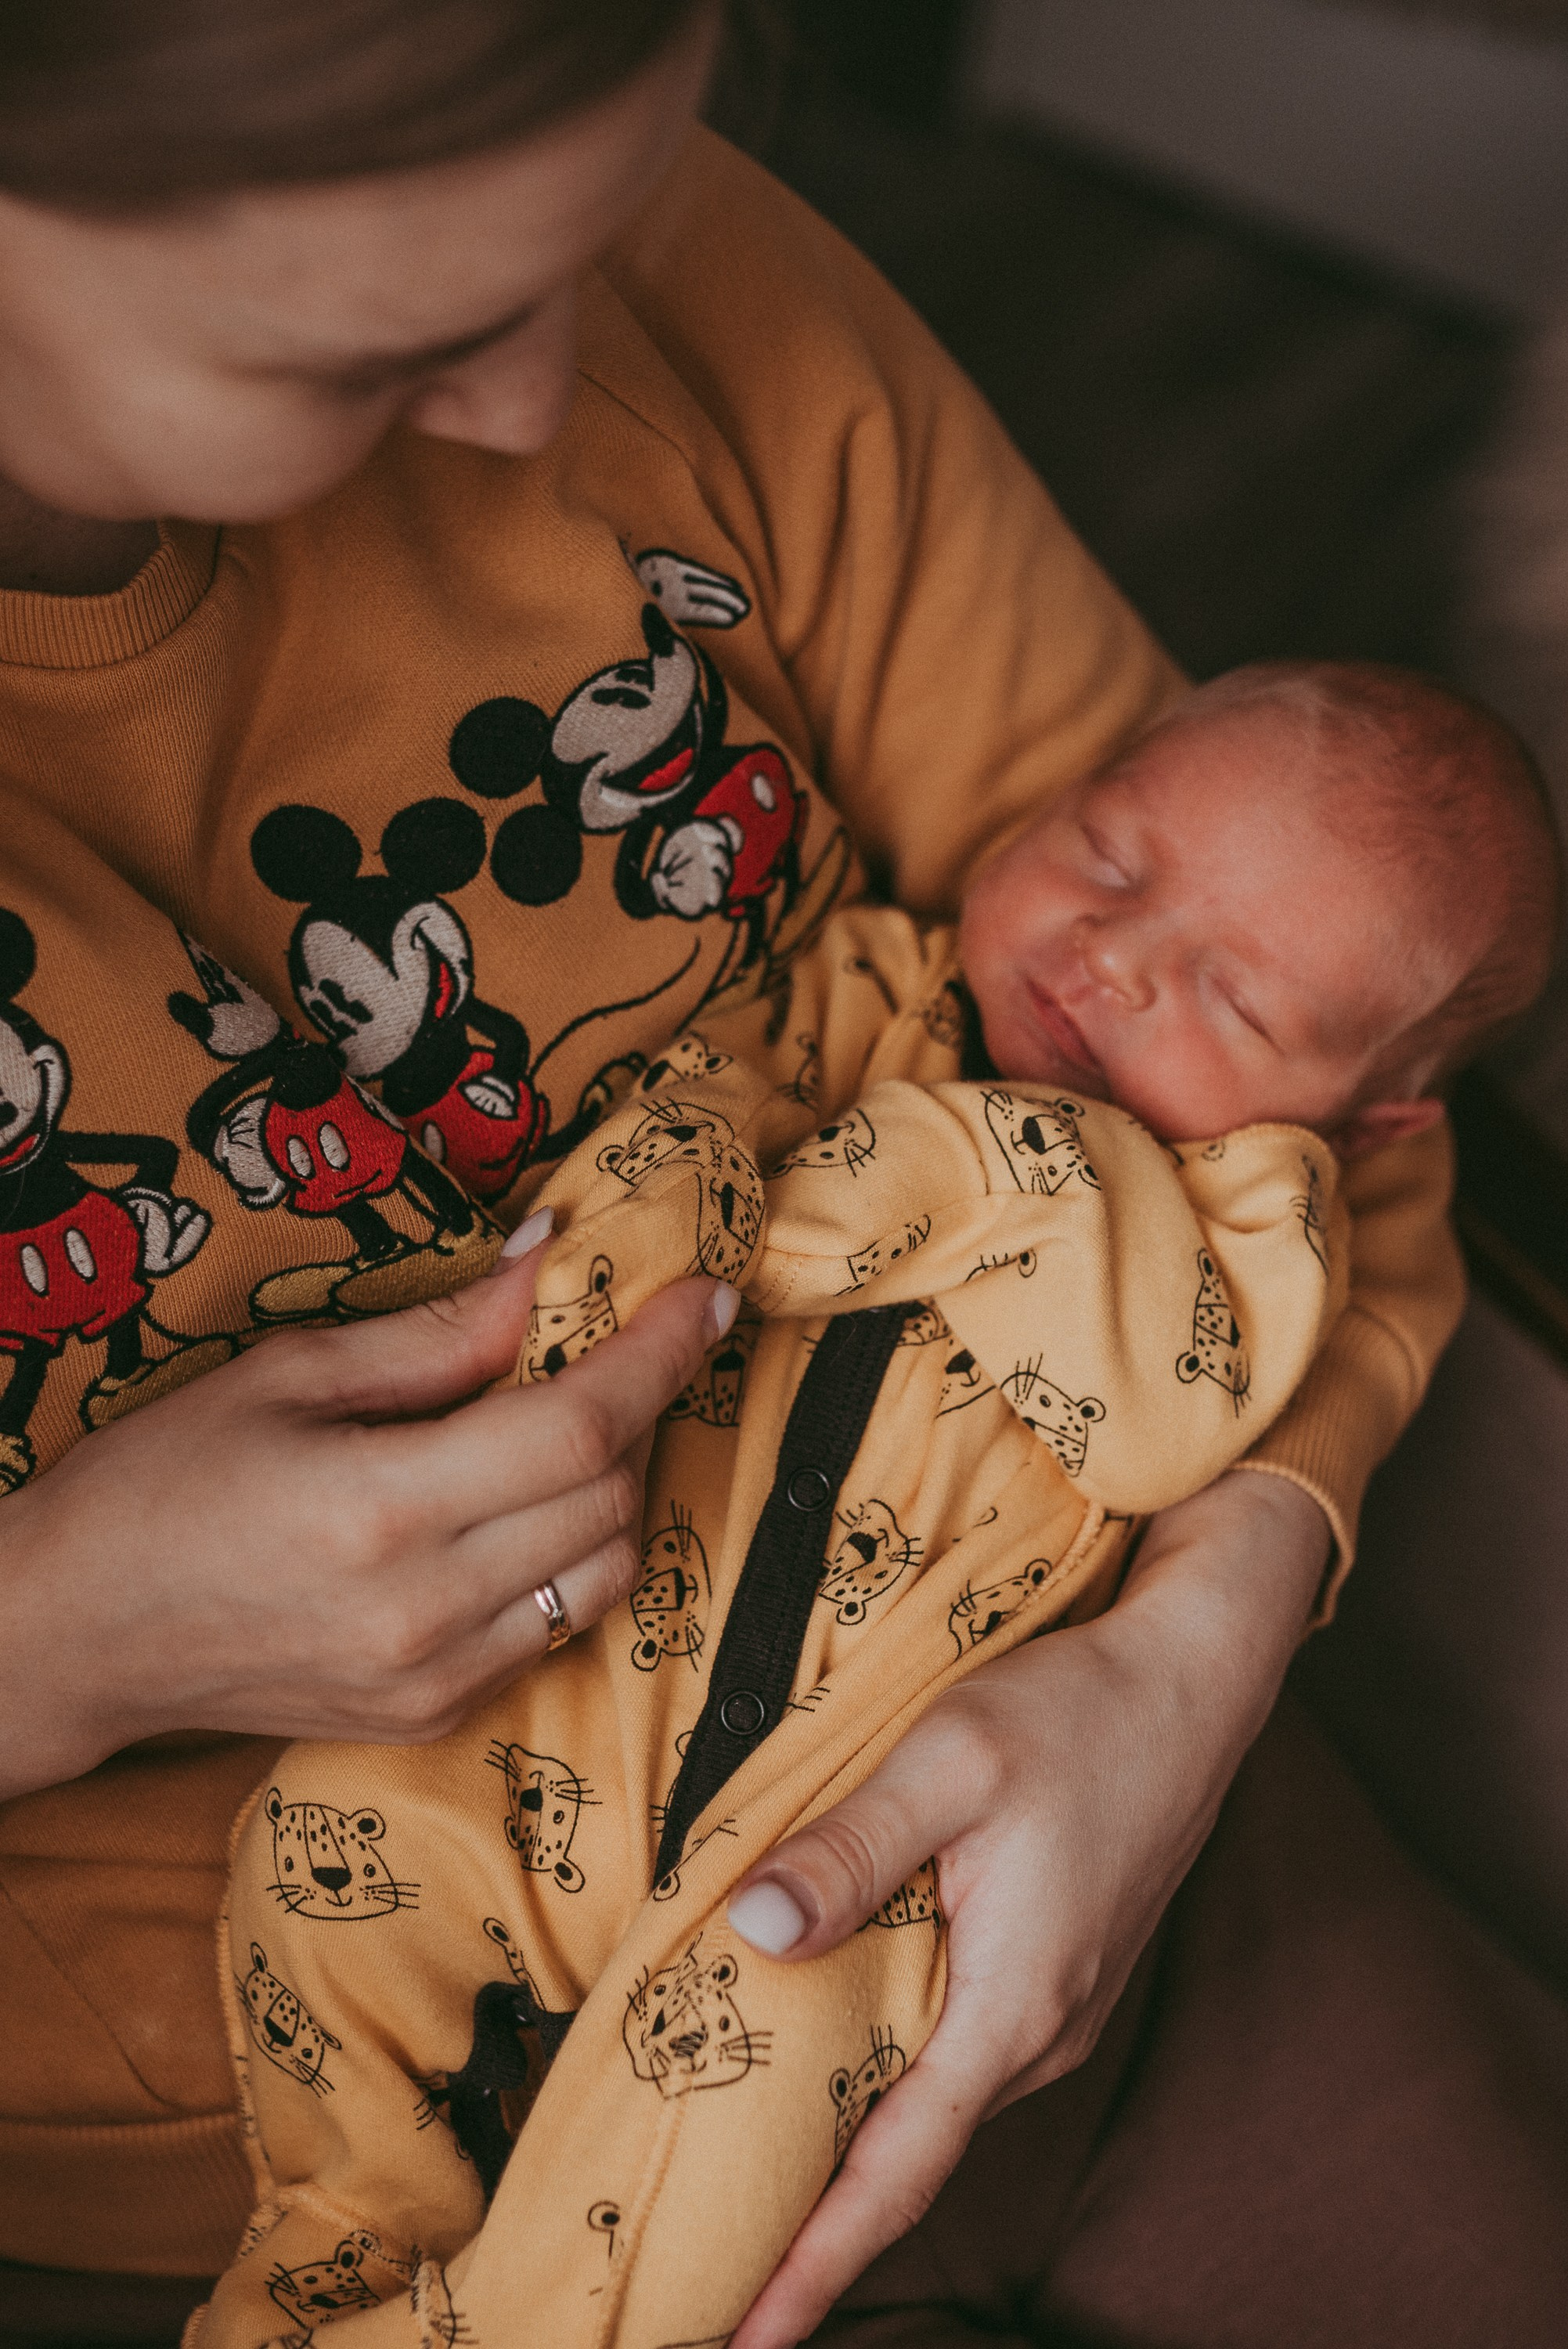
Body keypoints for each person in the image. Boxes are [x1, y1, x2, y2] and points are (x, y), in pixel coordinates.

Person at [0, 6, 1559, 2345]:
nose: (548, 406)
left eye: (603, 224)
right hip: (294, 2120)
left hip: (1034, 1792)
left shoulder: (635, 251)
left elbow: (1312, 1104)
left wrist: (1194, 1656)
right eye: (385, 346)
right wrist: (48, 1646)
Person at [188, 657, 1558, 2349]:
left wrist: (959, 1170)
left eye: (1235, 995)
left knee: (724, 2101)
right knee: (326, 1870)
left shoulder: (1257, 1225)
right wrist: (627, 1247)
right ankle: (316, 2268)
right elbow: (688, 1121)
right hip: (541, 1715)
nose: (1112, 957)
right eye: (1110, 856)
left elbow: (1151, 1417)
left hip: (856, 1839)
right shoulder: (860, 989)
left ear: (1370, 1116)